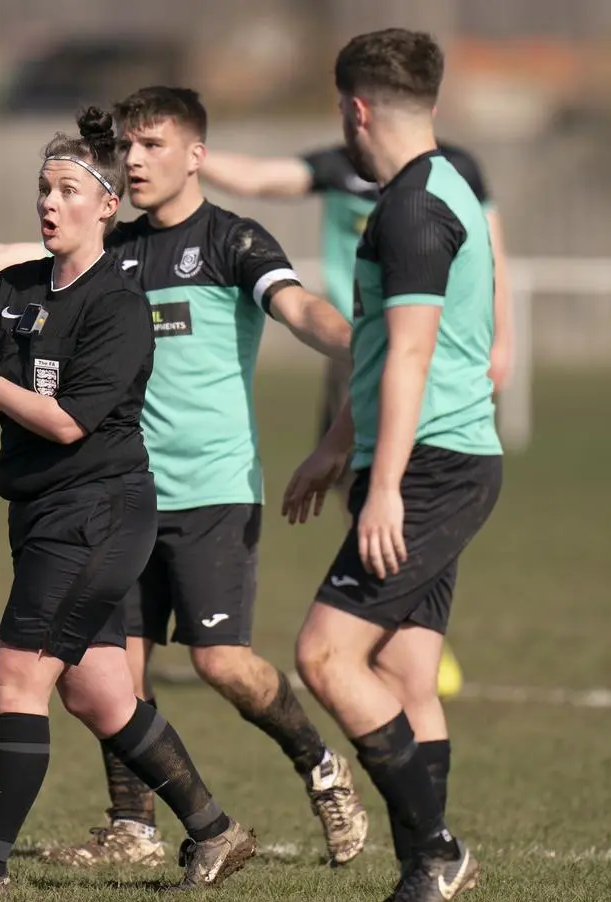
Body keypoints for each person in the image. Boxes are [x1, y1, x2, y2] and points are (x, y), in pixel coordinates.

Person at [0, 87, 369, 869]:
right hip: (112, 492)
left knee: (220, 663)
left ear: (195, 155)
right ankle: (144, 827)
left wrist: (368, 348)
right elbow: (6, 264)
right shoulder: (116, 247)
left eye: (153, 146)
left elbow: (301, 308)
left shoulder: (233, 241)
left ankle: (321, 767)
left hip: (204, 489)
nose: (135, 160)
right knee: (107, 676)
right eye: (127, 148)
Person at [0, 107, 257, 901]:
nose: (49, 202)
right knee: (98, 691)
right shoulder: (10, 289)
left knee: (17, 674)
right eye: (42, 187)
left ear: (107, 204)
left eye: (68, 189)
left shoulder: (117, 304)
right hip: (41, 514)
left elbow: (67, 419)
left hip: (99, 514)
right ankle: (214, 830)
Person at [282, 28, 501, 902]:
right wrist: (339, 442)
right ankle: (437, 876)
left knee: (326, 656)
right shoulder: (445, 184)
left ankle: (433, 856)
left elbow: (410, 355)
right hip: (437, 457)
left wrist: (383, 488)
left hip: (429, 467)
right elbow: (384, 350)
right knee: (410, 670)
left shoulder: (411, 212)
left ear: (355, 108)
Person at [199, 130, 512, 702]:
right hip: (353, 353)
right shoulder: (339, 166)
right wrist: (190, 153)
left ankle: (407, 621)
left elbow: (494, 254)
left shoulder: (452, 174)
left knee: (408, 489)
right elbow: (259, 178)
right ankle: (384, 613)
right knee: (354, 491)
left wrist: (503, 337)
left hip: (422, 351)